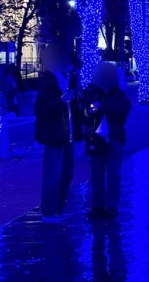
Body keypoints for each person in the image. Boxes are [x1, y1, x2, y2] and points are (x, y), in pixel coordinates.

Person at [34, 45, 83, 221]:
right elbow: (41, 109)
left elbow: (74, 109)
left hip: (67, 134)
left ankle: (58, 208)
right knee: (53, 174)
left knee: (66, 173)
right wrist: (61, 100)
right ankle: (49, 211)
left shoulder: (66, 79)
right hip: (55, 135)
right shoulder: (49, 81)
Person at [82, 61, 132, 219]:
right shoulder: (92, 92)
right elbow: (87, 113)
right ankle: (97, 205)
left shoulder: (119, 94)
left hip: (114, 138)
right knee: (96, 175)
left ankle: (111, 205)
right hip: (96, 139)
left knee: (113, 173)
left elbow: (121, 110)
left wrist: (101, 106)